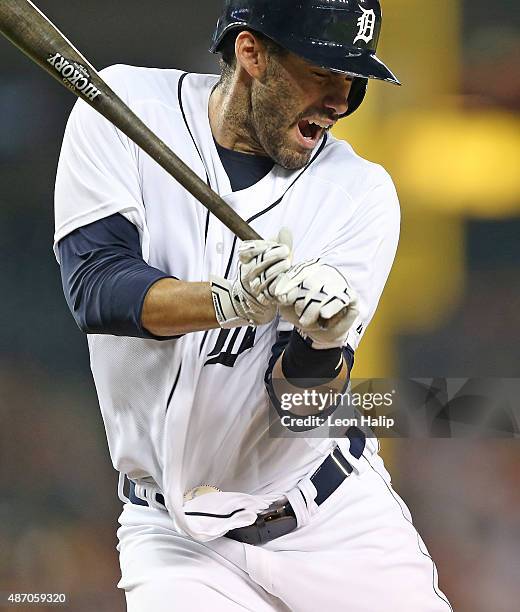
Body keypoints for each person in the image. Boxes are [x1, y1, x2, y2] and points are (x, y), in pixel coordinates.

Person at [54, 0, 452, 610]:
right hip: (176, 539)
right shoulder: (123, 108)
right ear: (252, 52)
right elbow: (100, 288)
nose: (341, 100)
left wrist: (322, 341)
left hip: (331, 525)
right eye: (323, 72)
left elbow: (299, 405)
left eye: (352, 79)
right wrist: (234, 300)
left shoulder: (358, 194)